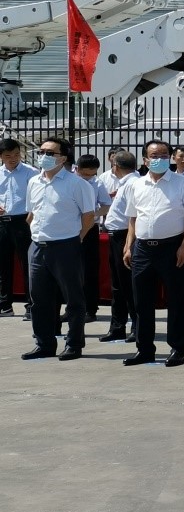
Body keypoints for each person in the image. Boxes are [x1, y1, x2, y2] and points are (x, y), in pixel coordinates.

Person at [123, 139, 184, 367]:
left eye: (164, 155)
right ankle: (144, 349)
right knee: (141, 302)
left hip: (172, 247)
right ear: (145, 160)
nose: (159, 159)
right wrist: (129, 246)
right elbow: (133, 218)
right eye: (154, 156)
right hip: (143, 249)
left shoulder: (182, 183)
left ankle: (177, 349)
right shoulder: (136, 185)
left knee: (176, 301)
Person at [21, 138, 97, 361]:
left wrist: (77, 238)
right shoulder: (34, 182)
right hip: (38, 246)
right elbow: (31, 212)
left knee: (73, 299)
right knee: (39, 299)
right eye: (41, 151)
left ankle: (74, 344)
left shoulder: (77, 184)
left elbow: (89, 216)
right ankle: (44, 343)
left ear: (63, 158)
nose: (43, 156)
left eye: (49, 153)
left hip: (65, 246)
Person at [99, 151, 138, 343]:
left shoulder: (132, 184)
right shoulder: (125, 183)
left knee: (128, 285)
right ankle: (117, 326)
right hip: (115, 236)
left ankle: (137, 326)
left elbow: (134, 217)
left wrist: (129, 244)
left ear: (116, 166)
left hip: (124, 236)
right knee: (118, 286)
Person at [0, 137, 38, 319]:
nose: (13, 159)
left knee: (28, 264)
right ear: (1, 157)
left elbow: (37, 198)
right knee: (3, 265)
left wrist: (29, 220)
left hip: (23, 221)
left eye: (16, 154)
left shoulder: (31, 173)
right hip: (2, 223)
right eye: (8, 156)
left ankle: (32, 305)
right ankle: (5, 305)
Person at [74, 154, 112, 323]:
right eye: (85, 174)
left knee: (89, 270)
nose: (89, 177)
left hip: (89, 228)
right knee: (71, 271)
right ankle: (72, 308)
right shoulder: (70, 181)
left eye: (92, 174)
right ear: (77, 169)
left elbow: (106, 205)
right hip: (69, 228)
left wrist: (92, 214)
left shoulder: (97, 183)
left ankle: (90, 309)